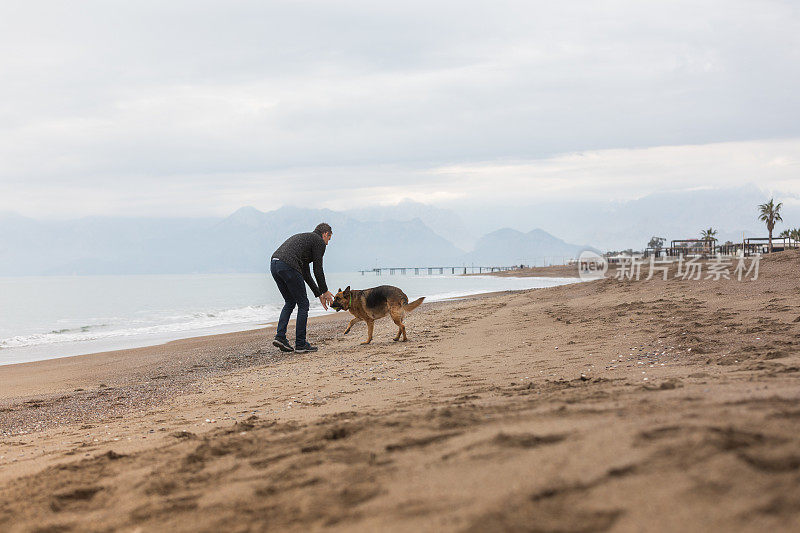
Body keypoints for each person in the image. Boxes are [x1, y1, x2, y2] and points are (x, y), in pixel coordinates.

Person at [270, 223, 334, 353]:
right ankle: (300, 344)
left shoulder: (306, 240)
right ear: (325, 234)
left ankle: (280, 337)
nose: (327, 243)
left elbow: (306, 273)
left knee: (290, 302)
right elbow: (318, 269)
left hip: (274, 264)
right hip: (288, 265)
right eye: (329, 239)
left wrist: (319, 294)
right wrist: (325, 291)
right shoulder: (318, 242)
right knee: (303, 304)